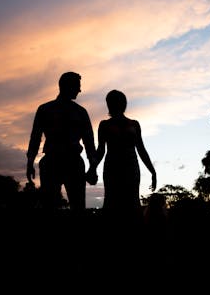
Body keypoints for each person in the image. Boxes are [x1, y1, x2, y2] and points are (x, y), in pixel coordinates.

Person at [26, 71, 97, 215]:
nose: (80, 90)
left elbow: (89, 143)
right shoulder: (47, 110)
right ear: (67, 86)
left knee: (76, 208)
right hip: (54, 163)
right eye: (77, 86)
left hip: (71, 164)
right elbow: (35, 137)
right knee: (51, 207)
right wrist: (29, 162)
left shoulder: (78, 112)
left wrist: (93, 167)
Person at [87, 89, 156, 231]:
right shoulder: (104, 125)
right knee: (112, 201)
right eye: (114, 101)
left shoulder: (134, 124)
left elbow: (141, 149)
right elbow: (101, 150)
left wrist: (152, 171)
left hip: (131, 168)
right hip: (112, 168)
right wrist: (92, 167)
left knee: (132, 202)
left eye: (120, 101)